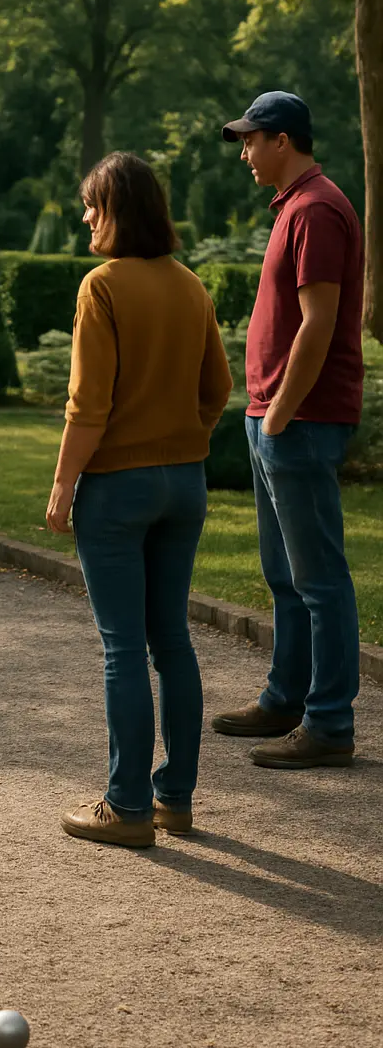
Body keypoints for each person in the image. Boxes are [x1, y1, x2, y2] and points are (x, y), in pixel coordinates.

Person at [47, 152, 232, 848]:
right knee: (171, 641)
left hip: (117, 490)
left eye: (92, 205)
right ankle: (173, 802)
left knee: (123, 648)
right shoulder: (191, 286)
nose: (85, 217)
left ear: (118, 210)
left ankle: (125, 807)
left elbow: (87, 403)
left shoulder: (102, 286)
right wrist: (183, 441)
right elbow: (218, 389)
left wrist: (64, 483)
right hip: (184, 484)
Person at [213, 92, 365, 768]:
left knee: (319, 580)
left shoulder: (317, 210)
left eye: (250, 140)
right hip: (275, 417)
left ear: (282, 140)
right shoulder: (294, 207)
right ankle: (285, 699)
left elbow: (319, 322)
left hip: (299, 419)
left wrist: (278, 411)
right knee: (285, 576)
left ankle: (328, 724)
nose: (245, 153)